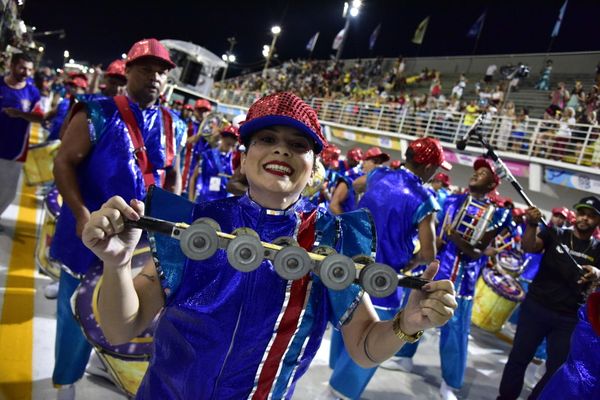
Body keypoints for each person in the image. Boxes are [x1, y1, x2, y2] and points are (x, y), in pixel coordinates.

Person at [82, 91, 458, 399]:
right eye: (267, 139)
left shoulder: (333, 243)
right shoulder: (196, 223)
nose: (282, 150)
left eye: (298, 144)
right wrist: (117, 264)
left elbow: (362, 348)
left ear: (313, 167)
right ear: (244, 158)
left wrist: (406, 324)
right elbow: (120, 329)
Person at [48, 38, 185, 400]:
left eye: (161, 72)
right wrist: (81, 214)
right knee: (75, 313)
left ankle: (102, 365)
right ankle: (66, 381)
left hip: (140, 244)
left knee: (127, 313)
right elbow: (63, 162)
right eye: (146, 69)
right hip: (89, 234)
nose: (155, 77)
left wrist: (169, 235)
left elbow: (173, 178)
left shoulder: (175, 124)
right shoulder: (96, 112)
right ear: (127, 72)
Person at [327, 137, 451, 400]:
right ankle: (341, 392)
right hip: (385, 280)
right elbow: (429, 253)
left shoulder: (379, 174)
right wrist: (413, 262)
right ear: (429, 167)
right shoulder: (424, 199)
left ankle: (333, 378)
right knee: (371, 339)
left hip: (352, 266)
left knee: (345, 321)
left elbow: (353, 186)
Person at [393, 159, 510, 400]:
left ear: (492, 184)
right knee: (413, 312)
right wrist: (424, 252)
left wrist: (454, 237)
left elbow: (476, 251)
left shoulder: (497, 214)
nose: (476, 174)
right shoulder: (452, 200)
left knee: (455, 332)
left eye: (483, 173)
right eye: (476, 171)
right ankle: (404, 357)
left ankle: (450, 382)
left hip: (462, 281)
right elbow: (435, 234)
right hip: (435, 270)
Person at [497, 196, 600, 400]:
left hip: (569, 318)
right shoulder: (556, 233)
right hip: (536, 307)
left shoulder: (598, 249)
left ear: (598, 221)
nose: (585, 218)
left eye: (591, 216)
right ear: (576, 215)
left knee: (557, 369)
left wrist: (597, 273)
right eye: (582, 213)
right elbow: (529, 246)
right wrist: (532, 224)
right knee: (519, 357)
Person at [0, 52, 43, 224]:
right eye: (22, 68)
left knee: (7, 192)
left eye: (30, 70)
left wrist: (20, 114)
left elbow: (39, 117)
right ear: (11, 65)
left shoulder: (32, 93)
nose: (26, 73)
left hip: (15, 151)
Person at [188, 124, 238, 203]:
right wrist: (190, 200)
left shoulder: (234, 161)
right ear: (222, 138)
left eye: (233, 146)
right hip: (203, 202)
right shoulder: (206, 155)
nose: (230, 149)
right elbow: (194, 178)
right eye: (228, 144)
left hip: (223, 205)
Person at [329, 147, 364, 215]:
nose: (355, 162)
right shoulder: (338, 165)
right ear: (348, 157)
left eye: (356, 161)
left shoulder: (358, 173)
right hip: (332, 195)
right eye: (352, 159)